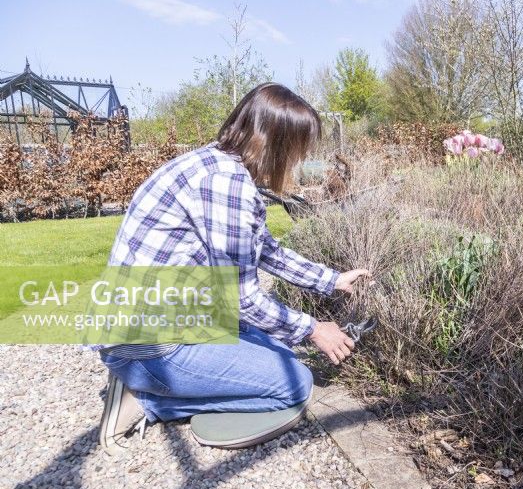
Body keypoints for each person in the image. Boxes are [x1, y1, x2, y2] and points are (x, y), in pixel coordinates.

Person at [98, 83, 369, 455]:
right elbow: (241, 298)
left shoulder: (212, 165)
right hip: (151, 347)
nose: (298, 161)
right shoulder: (227, 185)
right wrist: (313, 329)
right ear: (275, 143)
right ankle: (146, 400)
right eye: (297, 150)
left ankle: (150, 380)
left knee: (281, 351)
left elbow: (266, 250)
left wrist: (332, 280)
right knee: (294, 384)